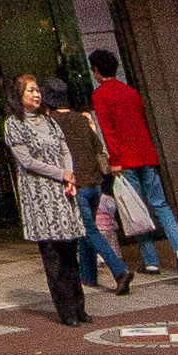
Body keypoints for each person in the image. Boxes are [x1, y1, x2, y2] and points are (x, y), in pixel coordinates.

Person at [88, 48, 178, 275]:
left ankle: (151, 261)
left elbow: (108, 130)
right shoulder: (131, 92)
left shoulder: (100, 95)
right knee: (160, 204)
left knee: (136, 208)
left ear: (96, 70)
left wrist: (114, 160)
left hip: (125, 160)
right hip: (146, 155)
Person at [3, 75, 87, 325]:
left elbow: (64, 149)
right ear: (18, 96)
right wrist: (61, 173)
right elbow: (27, 161)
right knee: (53, 256)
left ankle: (80, 306)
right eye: (30, 91)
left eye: (37, 90)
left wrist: (69, 176)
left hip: (62, 194)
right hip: (39, 196)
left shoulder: (49, 121)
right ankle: (66, 310)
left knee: (70, 252)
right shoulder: (13, 125)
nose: (36, 94)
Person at [43, 76, 133, 297]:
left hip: (77, 184)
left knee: (88, 230)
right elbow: (97, 146)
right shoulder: (81, 119)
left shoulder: (51, 124)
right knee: (86, 229)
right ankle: (89, 274)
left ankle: (120, 270)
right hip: (94, 183)